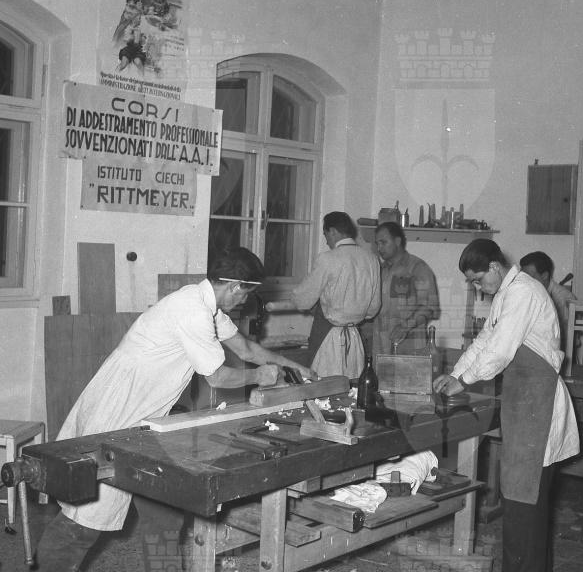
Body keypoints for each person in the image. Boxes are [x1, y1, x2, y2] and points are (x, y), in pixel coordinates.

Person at [35, 247, 314, 572]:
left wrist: (294, 367)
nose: (244, 301)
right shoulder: (192, 311)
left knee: (164, 511)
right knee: (83, 521)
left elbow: (247, 349)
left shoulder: (207, 306)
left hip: (146, 420)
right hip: (116, 414)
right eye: (246, 294)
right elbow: (217, 377)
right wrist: (259, 377)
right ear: (235, 286)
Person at [433, 239, 579, 572]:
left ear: (494, 267)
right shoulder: (506, 294)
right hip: (523, 403)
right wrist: (455, 373)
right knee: (520, 504)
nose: (477, 288)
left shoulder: (523, 292)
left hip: (538, 405)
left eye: (478, 280)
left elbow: (499, 351)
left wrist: (464, 381)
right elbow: (484, 341)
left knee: (525, 507)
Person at [291, 212, 381, 378]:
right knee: (352, 385)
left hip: (328, 339)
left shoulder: (328, 258)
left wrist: (301, 300)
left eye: (325, 234)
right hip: (354, 338)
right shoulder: (371, 259)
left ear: (332, 231)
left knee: (324, 386)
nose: (326, 240)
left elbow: (302, 300)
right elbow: (373, 308)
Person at [372, 221, 440, 356]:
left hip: (409, 346)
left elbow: (430, 307)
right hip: (381, 347)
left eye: (383, 242)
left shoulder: (417, 268)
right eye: (377, 244)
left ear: (397, 241)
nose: (379, 248)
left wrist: (405, 326)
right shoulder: (379, 270)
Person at [520, 250, 576, 351]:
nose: (524, 281)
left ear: (544, 275)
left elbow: (566, 340)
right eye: (522, 276)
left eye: (530, 277)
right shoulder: (527, 293)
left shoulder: (563, 298)